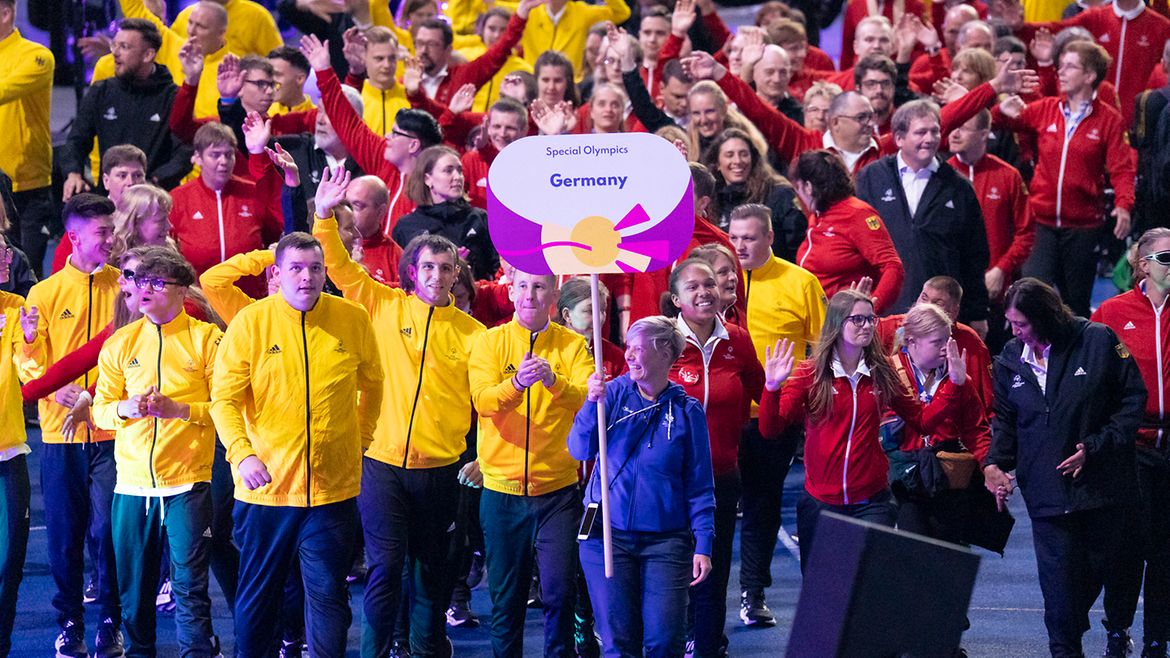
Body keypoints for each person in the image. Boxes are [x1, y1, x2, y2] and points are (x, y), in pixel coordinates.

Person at [310, 167, 486, 658]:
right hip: (382, 464)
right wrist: (324, 215)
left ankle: (428, 646)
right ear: (412, 271)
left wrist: (485, 457)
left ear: (457, 274)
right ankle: (375, 651)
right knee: (386, 567)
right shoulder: (384, 306)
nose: (435, 276)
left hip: (442, 471)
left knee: (433, 571)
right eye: (427, 267)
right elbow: (341, 268)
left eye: (445, 268)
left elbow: (490, 405)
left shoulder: (475, 337)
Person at [210, 232, 383, 658]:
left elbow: (374, 384)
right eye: (296, 269)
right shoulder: (250, 322)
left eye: (315, 268)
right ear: (277, 273)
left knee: (328, 596)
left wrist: (362, 437)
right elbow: (224, 399)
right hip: (265, 491)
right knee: (258, 596)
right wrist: (242, 453)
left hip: (333, 490)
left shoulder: (353, 317)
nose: (307, 277)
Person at [985, 278, 1146, 658]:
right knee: (1057, 594)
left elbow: (1132, 400)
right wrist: (995, 464)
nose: (1015, 331)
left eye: (1021, 323)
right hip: (1047, 495)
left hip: (1101, 492)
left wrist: (1094, 448)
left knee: (1104, 573)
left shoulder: (1098, 341)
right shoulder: (1011, 358)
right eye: (1011, 323)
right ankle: (1065, 650)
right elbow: (1006, 420)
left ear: (1044, 317)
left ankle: (1117, 629)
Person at [759, 289, 971, 568]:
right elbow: (770, 429)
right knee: (823, 594)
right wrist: (771, 388)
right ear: (837, 323)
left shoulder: (881, 372)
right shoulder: (810, 375)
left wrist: (953, 385)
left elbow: (921, 421)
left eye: (870, 319)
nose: (867, 326)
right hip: (821, 503)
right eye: (857, 320)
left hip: (871, 502)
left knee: (865, 588)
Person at [92, 247, 221, 658]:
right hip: (131, 487)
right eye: (141, 281)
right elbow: (100, 410)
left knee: (189, 586)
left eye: (157, 282)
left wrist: (178, 410)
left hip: (188, 482)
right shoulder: (120, 343)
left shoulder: (207, 341)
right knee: (134, 591)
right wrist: (125, 409)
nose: (144, 290)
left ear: (183, 291)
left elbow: (226, 409)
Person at [568, 316, 716, 657]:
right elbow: (578, 449)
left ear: (665, 353)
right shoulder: (611, 394)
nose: (630, 356)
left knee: (665, 642)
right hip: (606, 535)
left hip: (666, 542)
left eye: (638, 348)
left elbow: (700, 486)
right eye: (628, 347)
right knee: (619, 644)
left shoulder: (687, 411)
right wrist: (591, 404)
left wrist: (704, 543)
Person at [468, 270, 593, 657]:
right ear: (510, 290)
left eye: (539, 286)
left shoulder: (572, 346)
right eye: (522, 286)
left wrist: (553, 380)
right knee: (506, 602)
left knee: (559, 592)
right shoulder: (489, 342)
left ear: (554, 293)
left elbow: (588, 400)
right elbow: (483, 401)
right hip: (502, 492)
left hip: (557, 492)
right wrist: (516, 384)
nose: (530, 295)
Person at [23, 194, 123, 658]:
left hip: (110, 432)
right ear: (74, 236)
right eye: (102, 232)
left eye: (112, 228)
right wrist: (52, 389)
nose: (110, 237)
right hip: (61, 436)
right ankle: (69, 625)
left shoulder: (124, 287)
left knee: (108, 534)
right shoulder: (43, 294)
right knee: (64, 539)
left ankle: (109, 623)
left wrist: (92, 393)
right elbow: (28, 363)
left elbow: (130, 353)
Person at [726, 203, 825, 626]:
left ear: (769, 238)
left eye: (749, 237)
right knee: (710, 508)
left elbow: (824, 347)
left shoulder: (801, 282)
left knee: (763, 504)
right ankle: (700, 602)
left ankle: (753, 592)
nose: (740, 245)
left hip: (776, 414)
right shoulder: (715, 282)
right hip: (720, 414)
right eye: (734, 237)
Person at [662, 259, 762, 657]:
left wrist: (778, 387)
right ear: (676, 299)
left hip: (721, 475)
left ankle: (706, 645)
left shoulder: (736, 339)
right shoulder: (661, 340)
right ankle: (676, 639)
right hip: (668, 481)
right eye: (693, 287)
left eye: (710, 284)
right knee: (672, 568)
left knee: (713, 569)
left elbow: (761, 394)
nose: (704, 292)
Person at [995, 41, 1135, 319]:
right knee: (1031, 299)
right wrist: (1001, 108)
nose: (1061, 72)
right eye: (1061, 66)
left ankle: (1074, 360)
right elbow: (1001, 121)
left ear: (1090, 75)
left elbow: (1121, 168)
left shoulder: (1109, 120)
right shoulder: (1045, 109)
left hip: (1083, 226)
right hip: (1041, 223)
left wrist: (1123, 205)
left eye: (1070, 66)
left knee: (1075, 306)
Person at [1090, 228, 1170, 658]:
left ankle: (1159, 636)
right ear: (1142, 265)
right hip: (1131, 450)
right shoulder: (1111, 311)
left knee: (1166, 553)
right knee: (1126, 550)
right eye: (1168, 257)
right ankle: (1117, 629)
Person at [856, 99, 992, 331]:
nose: (929, 139)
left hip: (939, 316)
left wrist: (978, 312)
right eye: (920, 132)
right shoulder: (871, 178)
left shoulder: (958, 187)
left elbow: (974, 255)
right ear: (899, 138)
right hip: (884, 310)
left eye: (935, 131)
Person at [302, 33, 444, 231]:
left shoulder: (437, 185)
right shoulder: (383, 159)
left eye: (395, 134)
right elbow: (348, 122)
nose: (387, 137)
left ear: (413, 144)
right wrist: (323, 71)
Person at [61, 18, 190, 200]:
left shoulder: (173, 97)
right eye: (115, 45)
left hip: (156, 202)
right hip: (109, 201)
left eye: (125, 47)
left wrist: (154, 182)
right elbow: (76, 140)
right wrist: (73, 173)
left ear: (148, 55)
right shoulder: (101, 92)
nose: (115, 53)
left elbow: (184, 153)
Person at [169, 122, 283, 296]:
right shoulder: (177, 198)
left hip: (248, 299)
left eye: (229, 155)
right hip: (197, 300)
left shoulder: (252, 192)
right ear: (198, 158)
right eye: (215, 155)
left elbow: (273, 234)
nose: (223, 161)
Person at [791, 149, 905, 313]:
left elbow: (893, 267)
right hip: (819, 321)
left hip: (846, 326)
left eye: (797, 188)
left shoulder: (858, 213)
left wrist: (869, 310)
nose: (798, 196)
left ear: (808, 187)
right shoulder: (817, 216)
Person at [0, 235, 38, 658]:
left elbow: (32, 375)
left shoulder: (16, 308)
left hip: (9, 455)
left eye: (6, 251)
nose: (7, 259)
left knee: (8, 566)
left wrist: (29, 341)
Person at [0, 0, 56, 274]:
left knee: (28, 272)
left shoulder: (37, 56)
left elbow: (5, 90)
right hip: (1, 184)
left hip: (28, 185)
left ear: (6, 12)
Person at [391, 146, 499, 280]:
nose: (458, 177)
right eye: (448, 171)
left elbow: (497, 270)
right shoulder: (407, 226)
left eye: (460, 171)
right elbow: (402, 276)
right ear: (427, 179)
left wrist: (465, 268)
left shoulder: (480, 219)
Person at [700, 128, 806, 262]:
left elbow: (798, 249)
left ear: (753, 158)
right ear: (717, 164)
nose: (737, 161)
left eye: (744, 154)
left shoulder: (780, 195)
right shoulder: (710, 200)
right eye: (729, 155)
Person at [518, 0, 632, 79]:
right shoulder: (528, 10)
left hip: (572, 86)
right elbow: (500, 7)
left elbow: (621, 13)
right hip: (532, 83)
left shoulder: (582, 12)